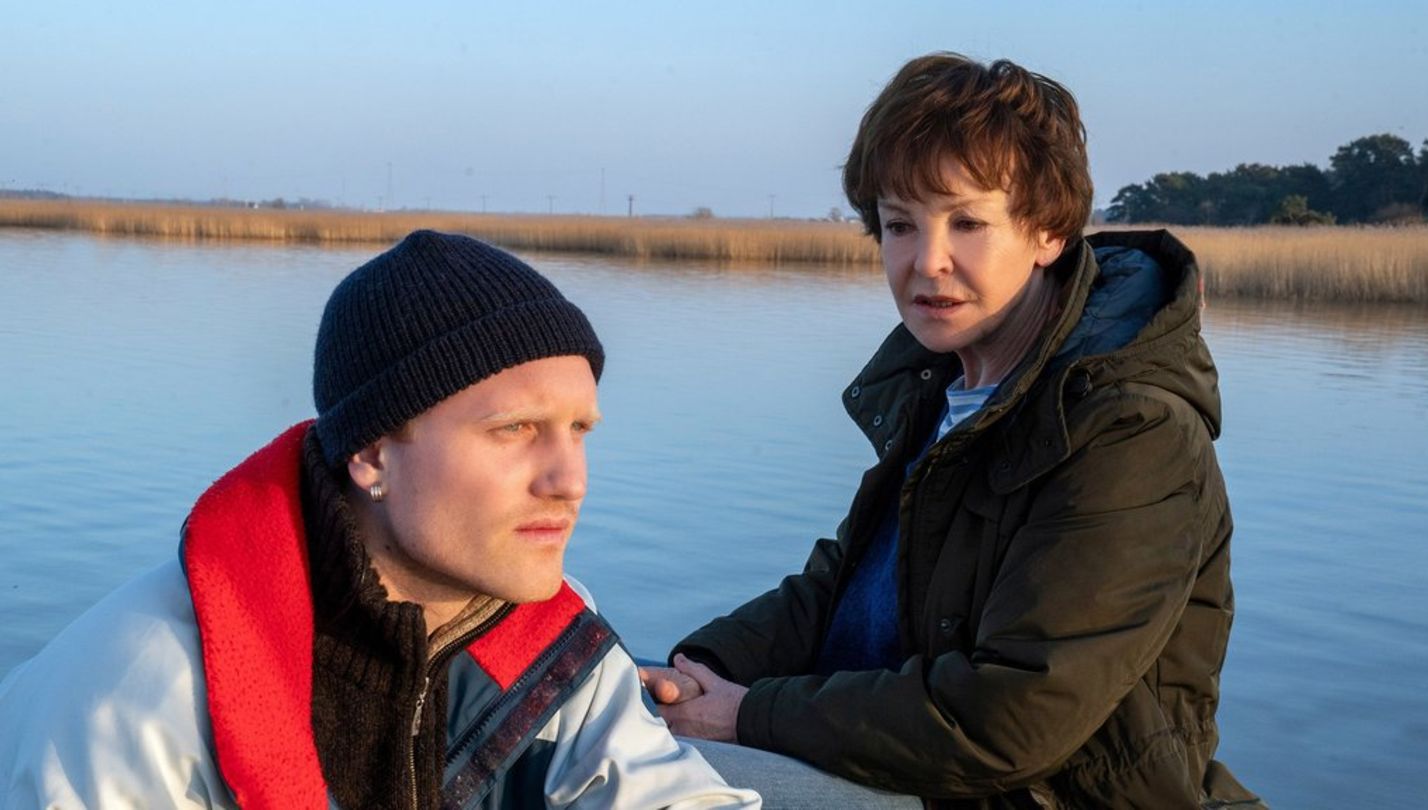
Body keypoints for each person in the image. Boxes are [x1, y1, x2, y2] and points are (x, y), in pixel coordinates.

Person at [641, 53, 1265, 808]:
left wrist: (746, 713)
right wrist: (698, 667)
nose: (925, 262)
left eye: (967, 222)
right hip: (908, 769)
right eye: (901, 225)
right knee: (599, 725)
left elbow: (1011, 716)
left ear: (1047, 232)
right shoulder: (948, 388)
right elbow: (845, 586)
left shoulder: (1129, 429)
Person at [0, 230, 761, 810]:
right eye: (516, 431)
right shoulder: (141, 690)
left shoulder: (551, 638)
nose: (571, 482)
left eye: (580, 430)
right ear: (371, 457)